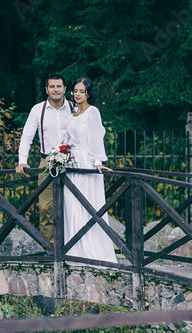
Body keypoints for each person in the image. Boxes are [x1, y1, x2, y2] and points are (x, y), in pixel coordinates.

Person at [63, 77, 117, 265]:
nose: (77, 94)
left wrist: (97, 161)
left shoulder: (93, 112)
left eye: (81, 91)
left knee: (87, 203)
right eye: (75, 91)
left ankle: (92, 250)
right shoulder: (71, 116)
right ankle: (75, 249)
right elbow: (67, 141)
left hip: (87, 159)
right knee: (72, 204)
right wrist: (60, 155)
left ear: (88, 93)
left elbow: (96, 136)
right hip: (72, 163)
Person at [15, 74, 74, 244]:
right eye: (52, 86)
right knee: (47, 207)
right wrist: (22, 160)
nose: (56, 90)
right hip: (46, 162)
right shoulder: (37, 110)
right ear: (46, 89)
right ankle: (49, 247)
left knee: (74, 205)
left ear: (64, 89)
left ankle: (72, 246)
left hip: (72, 162)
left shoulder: (74, 108)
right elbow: (27, 137)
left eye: (59, 86)